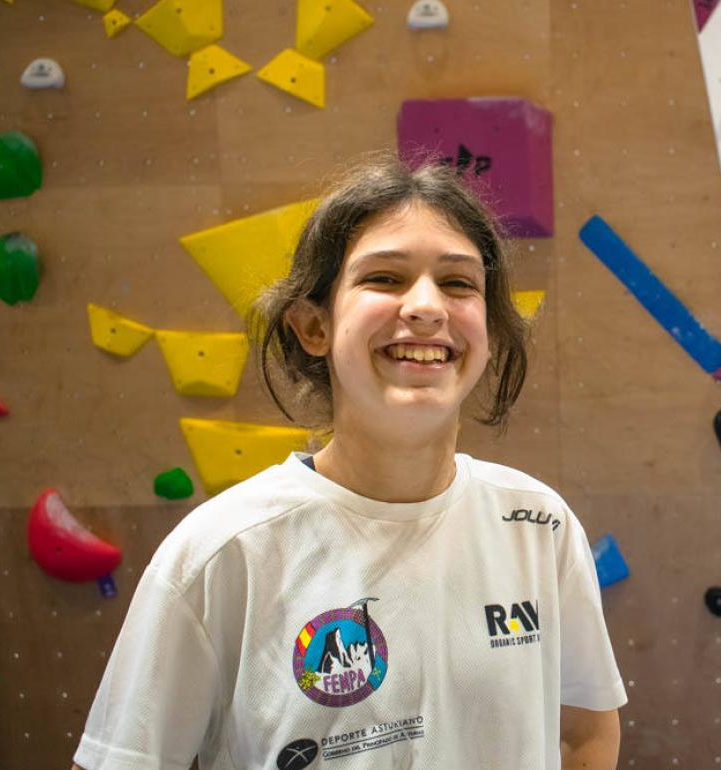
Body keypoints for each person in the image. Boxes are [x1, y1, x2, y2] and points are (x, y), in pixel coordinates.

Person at [72, 155, 627, 770]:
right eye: (385, 278)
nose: (426, 307)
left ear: (489, 329)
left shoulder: (538, 526)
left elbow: (585, 735)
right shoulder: (221, 552)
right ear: (314, 325)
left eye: (459, 283)